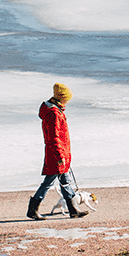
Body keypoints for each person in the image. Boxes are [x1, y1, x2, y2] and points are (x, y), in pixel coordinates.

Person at [27, 83, 86, 220]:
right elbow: (54, 137)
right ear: (62, 98)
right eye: (67, 98)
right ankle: (33, 209)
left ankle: (73, 209)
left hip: (59, 153)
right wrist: (60, 156)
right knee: (49, 182)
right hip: (56, 154)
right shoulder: (54, 113)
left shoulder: (55, 111)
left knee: (65, 180)